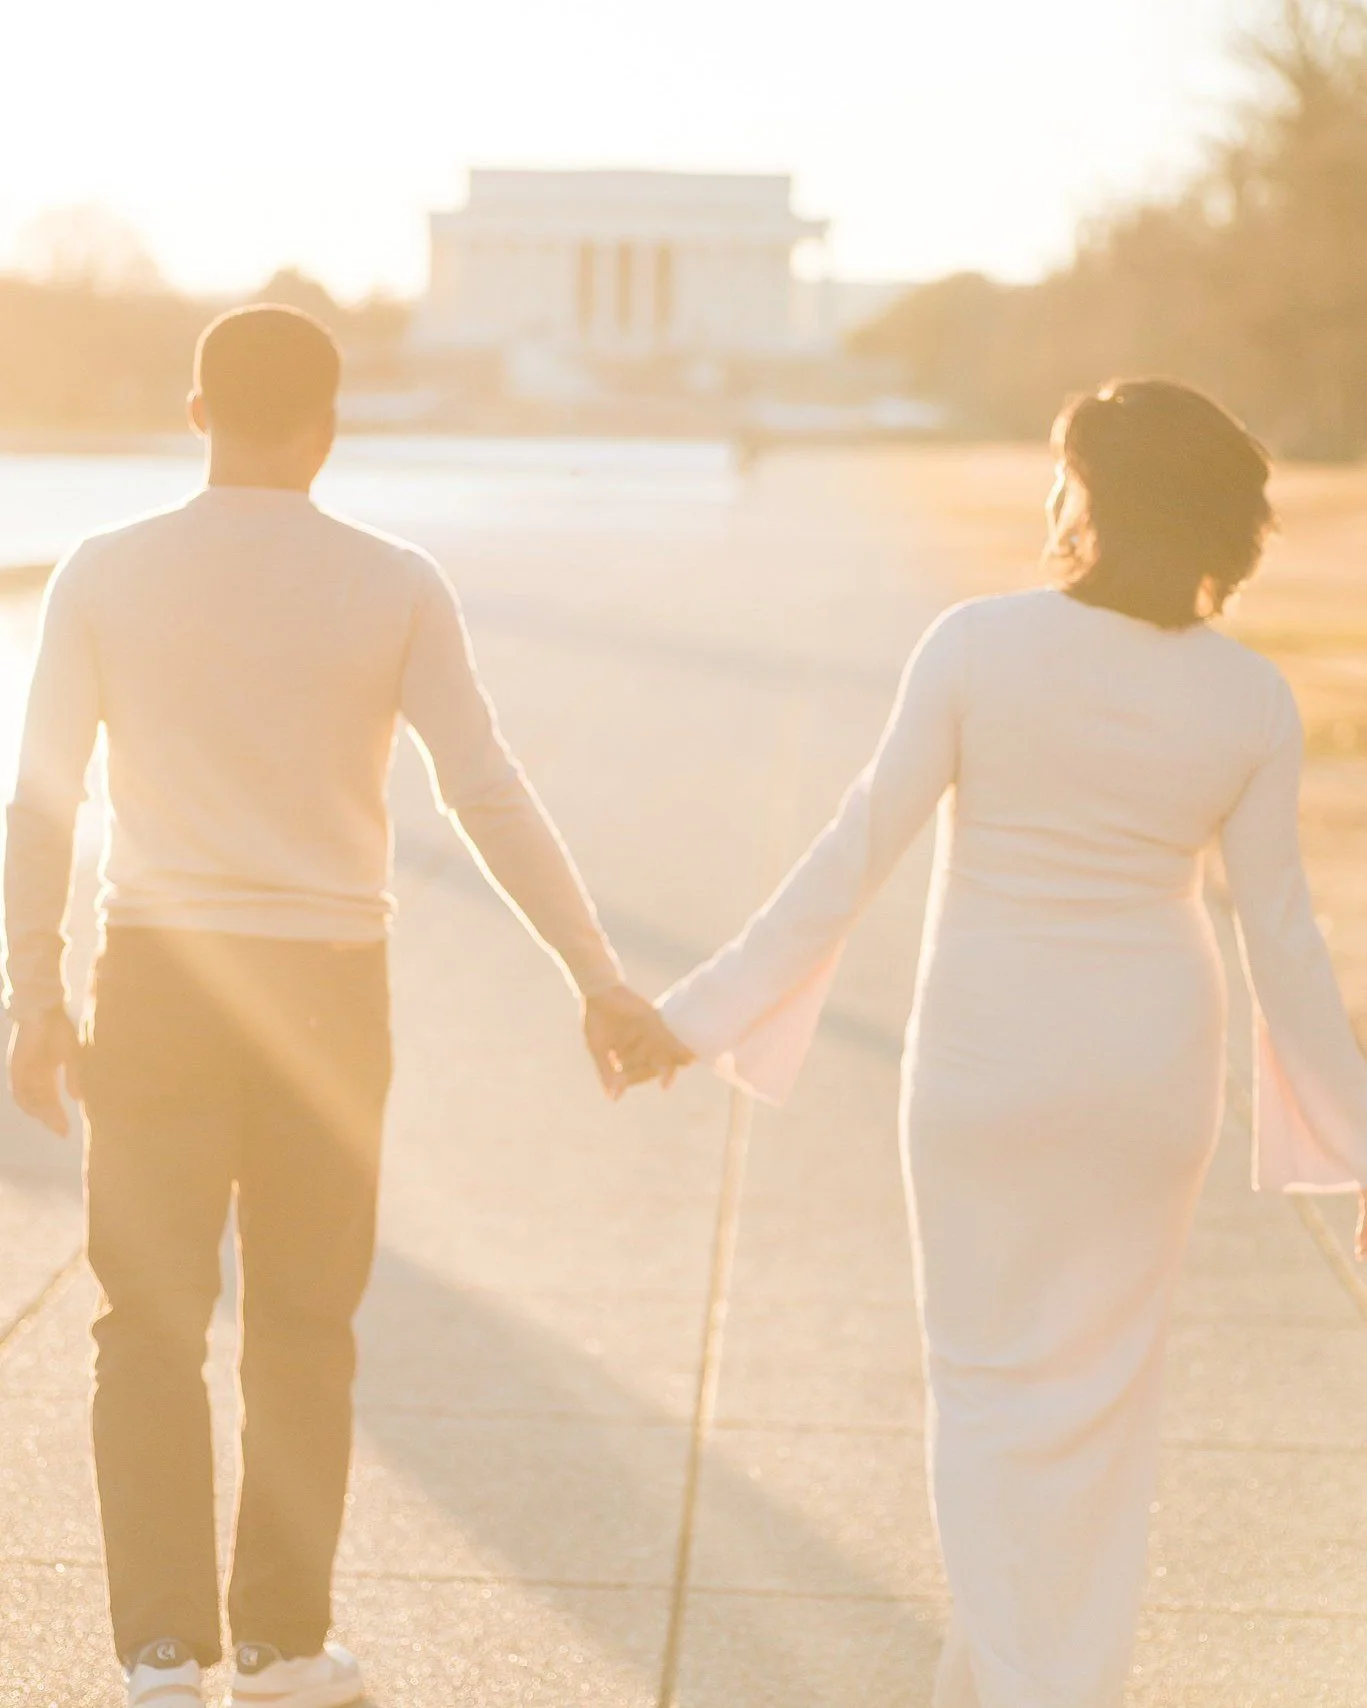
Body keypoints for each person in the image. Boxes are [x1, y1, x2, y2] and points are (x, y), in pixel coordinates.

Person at [2, 304, 688, 1708]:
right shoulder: (392, 583)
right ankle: (282, 1648)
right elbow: (485, 790)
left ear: (196, 412)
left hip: (158, 980)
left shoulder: (103, 572)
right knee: (307, 1323)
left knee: (145, 1323)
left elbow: (43, 798)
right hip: (325, 991)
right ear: (330, 424)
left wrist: (35, 992)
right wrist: (596, 977)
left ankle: (156, 1658)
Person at [655, 378, 1367, 1708]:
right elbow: (1287, 945)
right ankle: (1013, 1683)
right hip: (1149, 1069)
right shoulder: (1249, 698)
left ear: (1085, 501)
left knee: (983, 1399)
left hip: (988, 1058)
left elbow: (853, 850)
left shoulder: (976, 645)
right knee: (1100, 1409)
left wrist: (694, 1015)